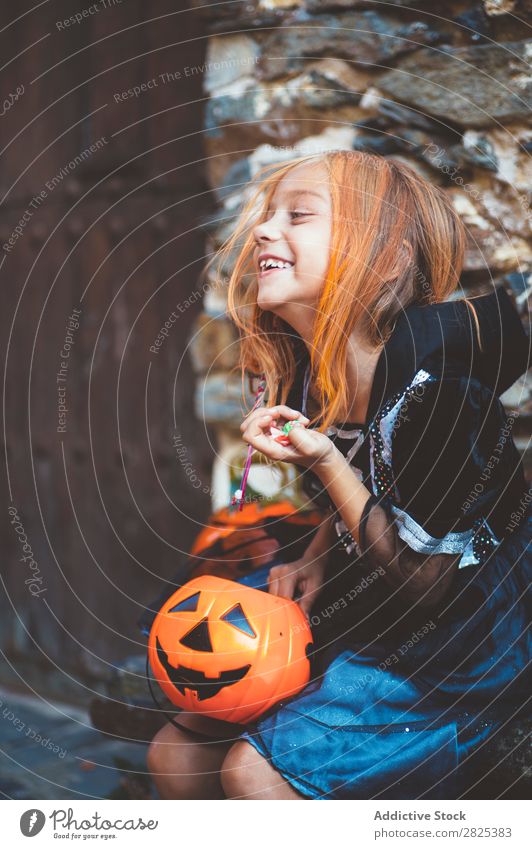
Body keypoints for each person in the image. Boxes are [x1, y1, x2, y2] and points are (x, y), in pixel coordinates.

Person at [147, 151, 531, 800]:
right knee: (176, 749)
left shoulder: (436, 395)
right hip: (370, 603)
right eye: (267, 217)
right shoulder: (311, 371)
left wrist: (322, 457)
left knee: (251, 770)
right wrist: (320, 556)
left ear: (381, 258)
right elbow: (366, 484)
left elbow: (433, 582)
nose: (265, 230)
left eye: (297, 216)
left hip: (460, 656)